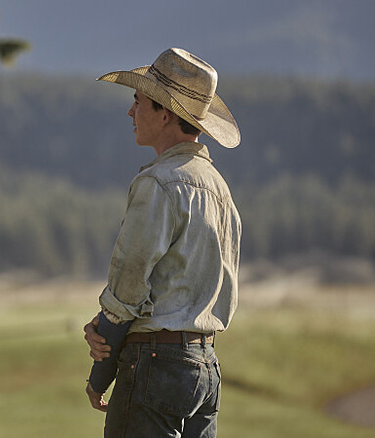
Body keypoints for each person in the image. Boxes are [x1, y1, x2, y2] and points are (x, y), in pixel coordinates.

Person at [82, 48, 242, 438]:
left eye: (138, 102)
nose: (130, 112)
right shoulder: (219, 189)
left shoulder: (158, 182)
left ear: (165, 113)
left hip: (155, 365)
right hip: (205, 367)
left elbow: (128, 286)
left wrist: (100, 367)